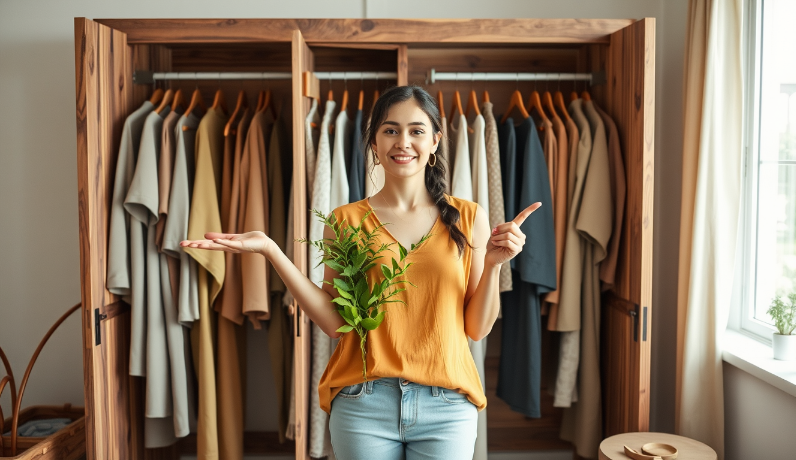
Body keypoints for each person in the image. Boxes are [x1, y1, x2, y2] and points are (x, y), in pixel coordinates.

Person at [181, 85, 540, 460]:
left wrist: (496, 264)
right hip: (363, 404)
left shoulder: (469, 217)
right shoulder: (344, 221)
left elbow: (476, 328)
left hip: (446, 404)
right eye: (390, 130)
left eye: (416, 131)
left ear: (435, 141)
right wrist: (272, 250)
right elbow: (338, 324)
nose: (403, 142)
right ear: (373, 142)